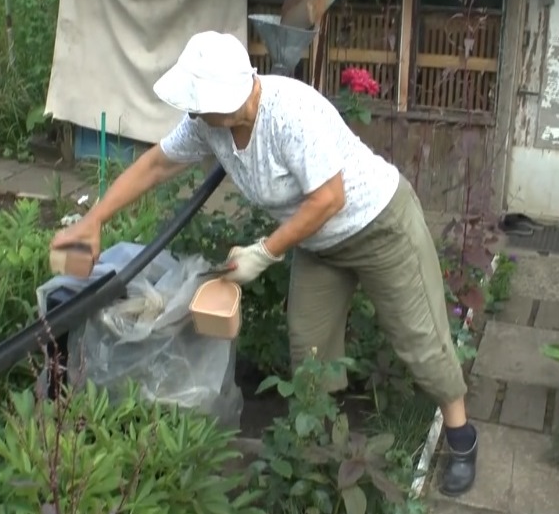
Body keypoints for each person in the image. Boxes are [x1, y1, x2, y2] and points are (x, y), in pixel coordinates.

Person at [50, 31, 479, 496]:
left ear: (230, 99)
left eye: (199, 103)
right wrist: (94, 219)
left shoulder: (291, 114)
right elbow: (156, 165)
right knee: (310, 347)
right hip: (319, 243)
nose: (192, 114)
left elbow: (329, 198)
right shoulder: (208, 123)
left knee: (419, 339)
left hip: (378, 224)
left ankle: (461, 437)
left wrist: (264, 252)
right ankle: (323, 452)